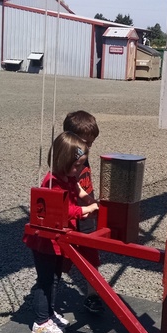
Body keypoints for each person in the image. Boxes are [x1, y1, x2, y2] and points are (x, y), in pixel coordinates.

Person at [23, 131, 99, 333]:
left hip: (56, 239)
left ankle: (48, 314)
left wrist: (91, 200)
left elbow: (79, 192)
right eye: (76, 165)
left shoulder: (68, 177)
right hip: (45, 240)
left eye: (82, 164)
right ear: (62, 161)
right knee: (46, 280)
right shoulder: (53, 182)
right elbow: (63, 210)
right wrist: (87, 210)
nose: (79, 169)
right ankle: (40, 321)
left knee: (54, 278)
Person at [63, 111, 105, 314]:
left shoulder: (82, 155)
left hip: (86, 212)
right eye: (85, 143)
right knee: (61, 256)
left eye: (91, 143)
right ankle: (47, 293)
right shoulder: (66, 161)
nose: (88, 148)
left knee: (90, 254)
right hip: (71, 213)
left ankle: (92, 294)